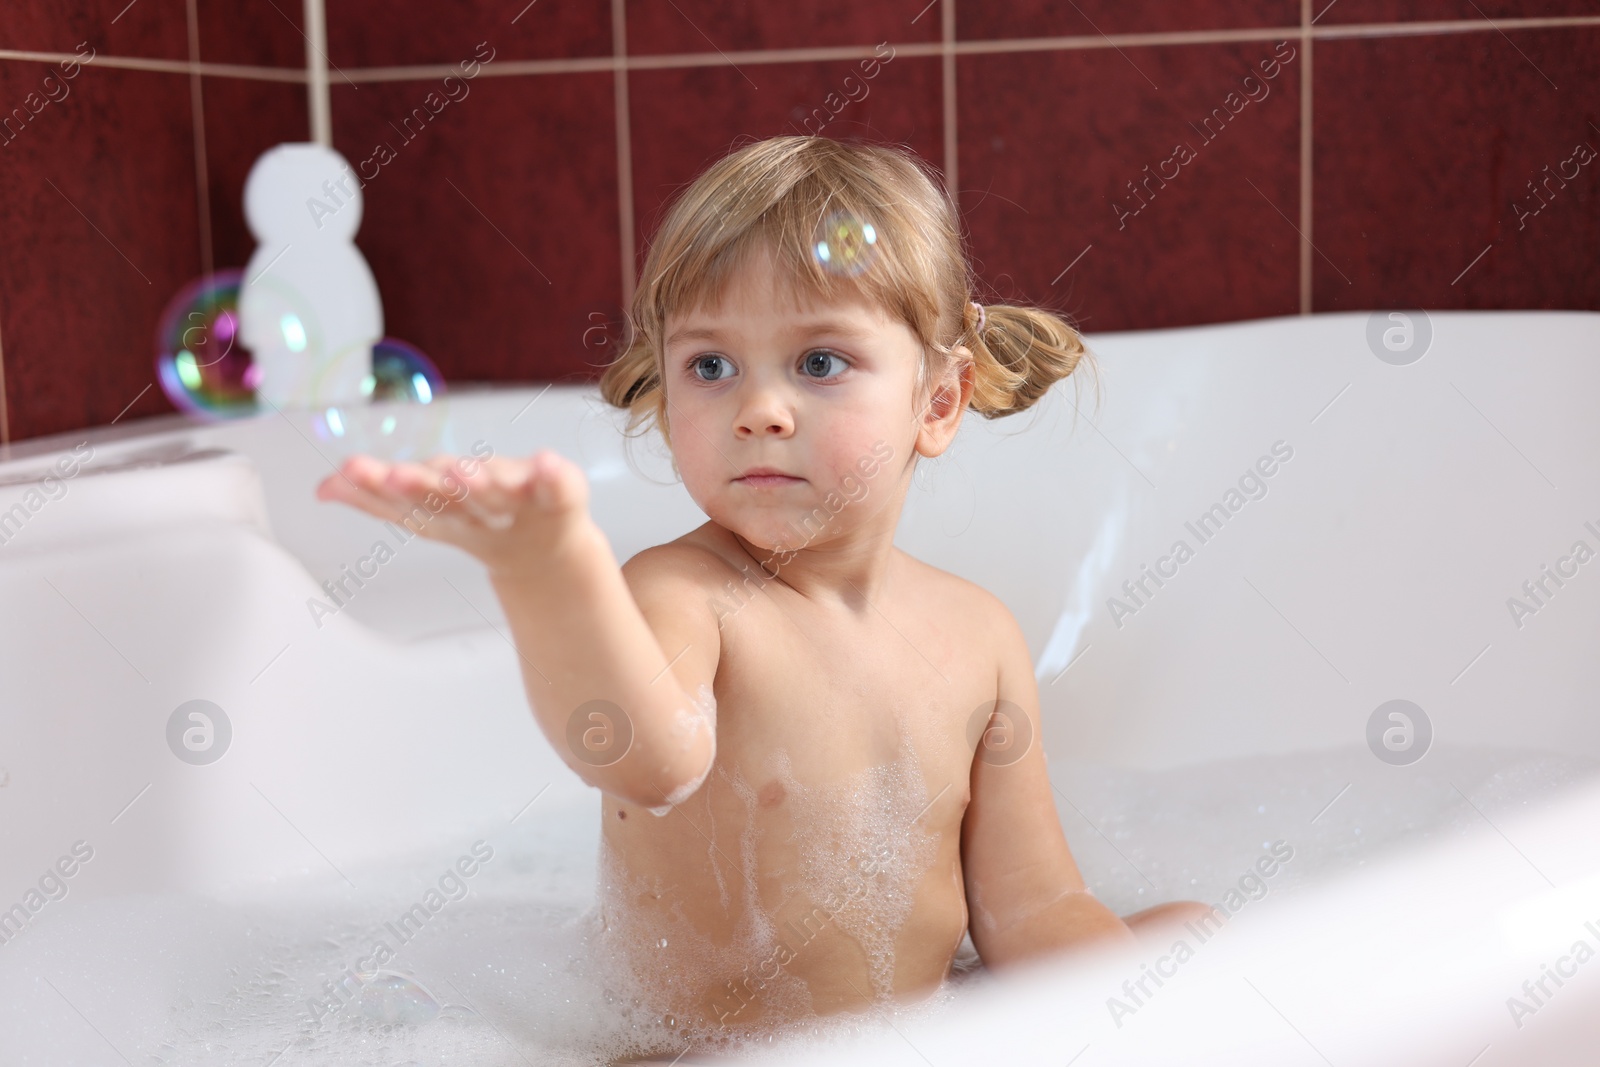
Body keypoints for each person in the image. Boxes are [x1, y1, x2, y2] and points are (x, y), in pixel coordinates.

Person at [317, 134, 1211, 1063]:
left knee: (1190, 928)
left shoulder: (979, 633)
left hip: (917, 1038)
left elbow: (1031, 905)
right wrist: (550, 572)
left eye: (819, 362)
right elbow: (641, 757)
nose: (760, 409)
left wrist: (1138, 999)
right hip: (694, 1052)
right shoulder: (685, 593)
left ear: (939, 401)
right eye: (710, 367)